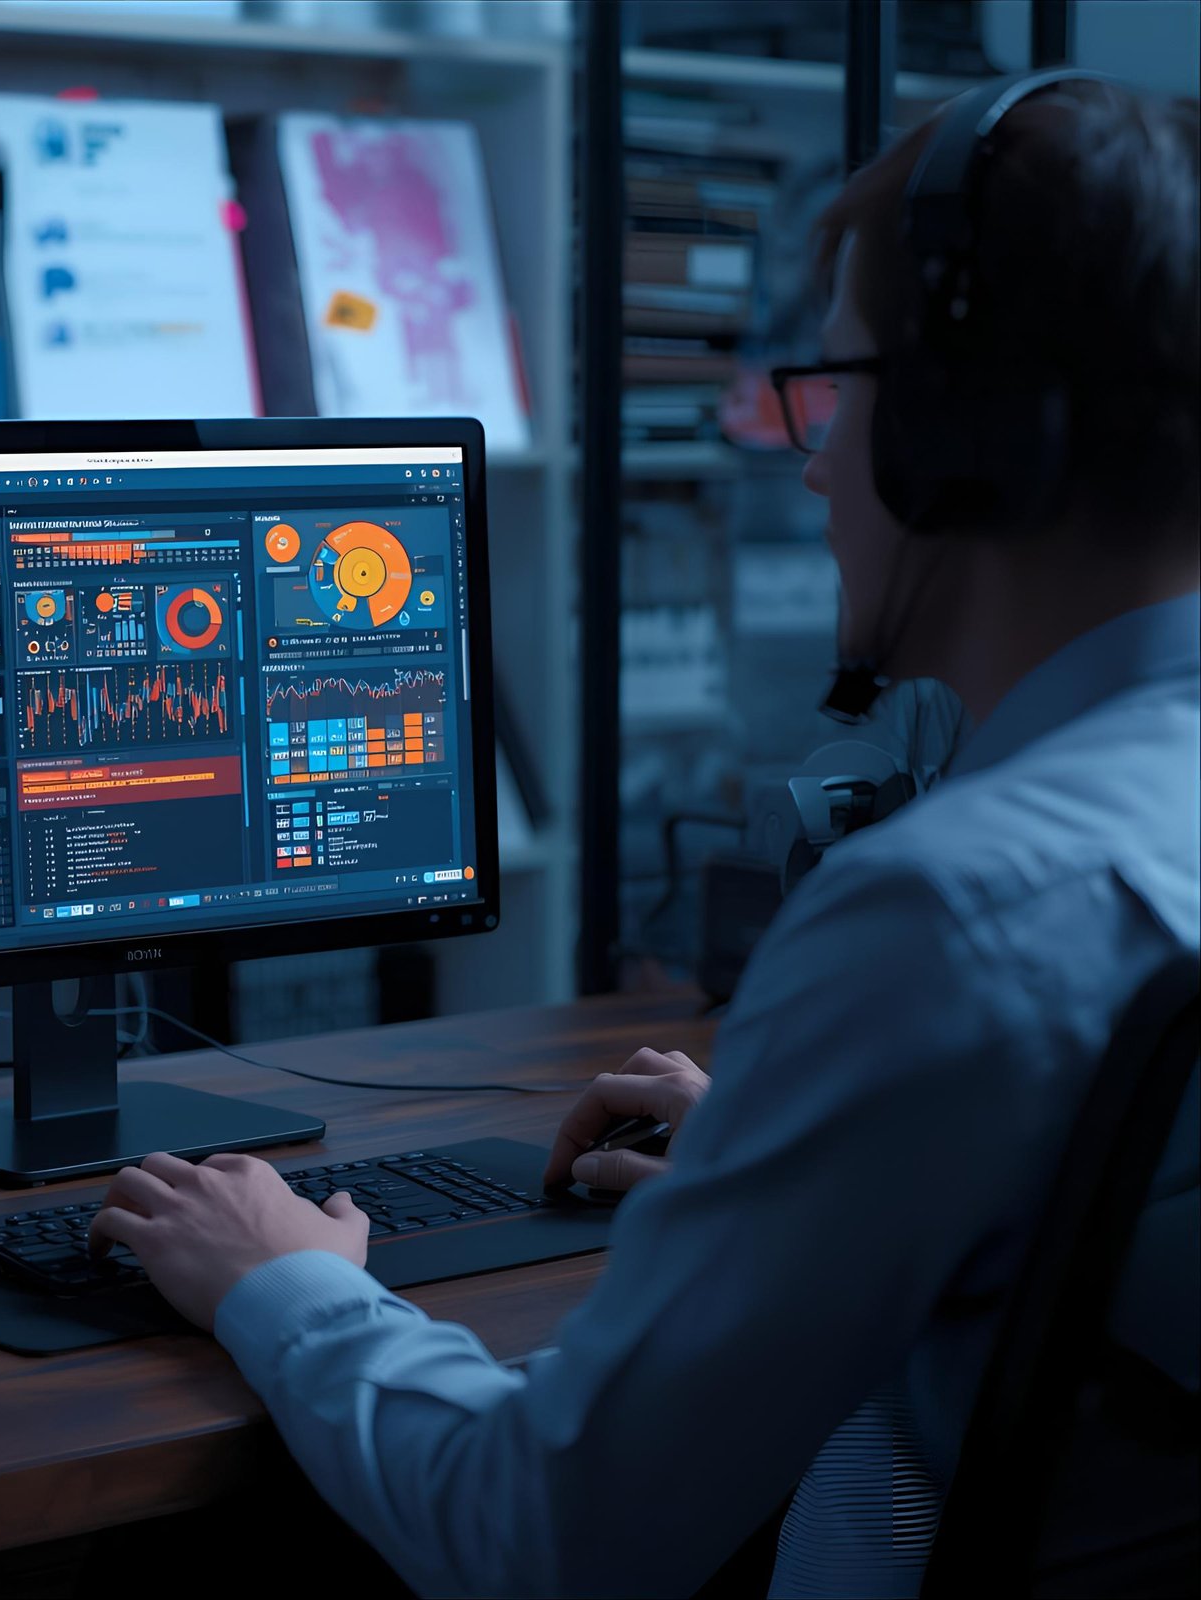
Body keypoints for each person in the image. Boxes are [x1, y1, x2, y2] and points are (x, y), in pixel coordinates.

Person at [89, 79, 1200, 1597]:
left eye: (838, 383)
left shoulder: (957, 913)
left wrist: (285, 1285)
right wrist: (791, 1170)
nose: (809, 457)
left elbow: (540, 1537)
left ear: (962, 434)